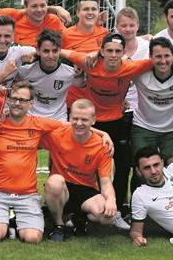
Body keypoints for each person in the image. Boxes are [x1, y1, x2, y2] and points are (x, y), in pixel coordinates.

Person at [63, 32, 156, 222]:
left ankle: (119, 209)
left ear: (124, 53)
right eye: (109, 51)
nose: (113, 55)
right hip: (91, 121)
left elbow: (160, 60)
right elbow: (63, 52)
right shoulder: (89, 62)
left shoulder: (130, 66)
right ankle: (75, 210)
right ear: (102, 51)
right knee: (82, 164)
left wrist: (150, 38)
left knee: (122, 165)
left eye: (118, 51)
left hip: (117, 121)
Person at [0, 81, 67, 243]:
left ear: (31, 104)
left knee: (32, 238)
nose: (17, 103)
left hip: (27, 195)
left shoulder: (39, 124)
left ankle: (13, 218)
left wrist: (103, 134)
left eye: (23, 100)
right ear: (8, 100)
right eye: (14, 98)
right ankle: (5, 219)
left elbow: (74, 126)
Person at [42, 98, 117, 239]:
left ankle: (79, 217)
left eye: (84, 119)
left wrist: (111, 199)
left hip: (86, 189)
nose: (79, 123)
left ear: (93, 120)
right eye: (75, 118)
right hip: (62, 187)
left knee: (108, 218)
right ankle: (59, 225)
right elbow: (30, 127)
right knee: (54, 182)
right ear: (69, 117)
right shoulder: (56, 134)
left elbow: (106, 183)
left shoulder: (102, 146)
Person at [129, 37, 173, 167]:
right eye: (158, 56)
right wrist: (121, 99)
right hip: (144, 127)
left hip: (171, 130)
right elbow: (117, 72)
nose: (163, 61)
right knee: (142, 170)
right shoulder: (140, 74)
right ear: (150, 57)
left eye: (167, 56)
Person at [0, 29, 83, 122]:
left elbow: (85, 80)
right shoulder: (26, 69)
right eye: (46, 51)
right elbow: (7, 83)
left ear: (60, 51)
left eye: (54, 51)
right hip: (30, 117)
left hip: (58, 119)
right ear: (38, 51)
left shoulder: (71, 72)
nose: (50, 56)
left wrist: (81, 68)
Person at [0, 0, 71, 47]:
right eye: (34, 6)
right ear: (25, 7)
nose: (39, 10)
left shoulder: (54, 20)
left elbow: (70, 42)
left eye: (42, 5)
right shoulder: (14, 22)